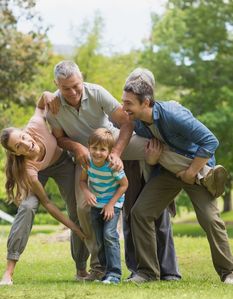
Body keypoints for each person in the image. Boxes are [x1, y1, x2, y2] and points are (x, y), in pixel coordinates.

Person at [41, 60, 181, 281]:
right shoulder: (54, 107)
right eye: (65, 88)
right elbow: (59, 139)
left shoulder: (97, 93)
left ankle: (200, 172)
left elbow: (127, 123)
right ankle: (100, 267)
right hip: (86, 157)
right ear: (56, 84)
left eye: (76, 85)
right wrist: (76, 146)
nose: (73, 91)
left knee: (152, 146)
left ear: (81, 78)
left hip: (113, 143)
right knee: (85, 209)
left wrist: (116, 152)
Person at [121, 67, 233, 284]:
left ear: (146, 102)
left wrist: (191, 172)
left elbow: (210, 141)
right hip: (169, 171)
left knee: (210, 219)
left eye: (128, 104)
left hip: (196, 168)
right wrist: (152, 161)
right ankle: (148, 272)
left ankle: (228, 271)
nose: (124, 108)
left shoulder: (173, 114)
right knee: (140, 212)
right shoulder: (137, 122)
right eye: (123, 102)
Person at [0, 107, 86, 286]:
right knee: (27, 206)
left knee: (78, 208)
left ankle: (81, 268)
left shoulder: (36, 125)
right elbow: (47, 202)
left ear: (25, 132)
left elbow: (41, 104)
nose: (25, 144)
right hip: (38, 172)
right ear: (16, 153)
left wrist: (49, 96)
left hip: (62, 163)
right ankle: (9, 272)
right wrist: (74, 229)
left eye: (23, 137)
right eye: (18, 146)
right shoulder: (27, 169)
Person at [80, 128, 128, 284]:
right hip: (96, 205)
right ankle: (105, 272)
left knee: (109, 235)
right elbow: (82, 181)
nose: (98, 152)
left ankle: (114, 274)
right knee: (99, 239)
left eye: (102, 149)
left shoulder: (112, 166)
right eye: (94, 148)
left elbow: (124, 185)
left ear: (109, 151)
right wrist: (87, 192)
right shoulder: (87, 163)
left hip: (112, 204)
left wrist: (110, 205)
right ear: (89, 147)